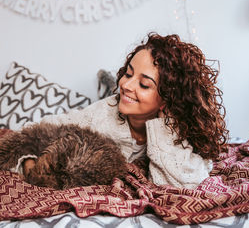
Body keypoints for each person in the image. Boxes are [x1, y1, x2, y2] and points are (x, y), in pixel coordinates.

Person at [14, 32, 228, 189]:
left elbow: (186, 185)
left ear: (168, 99)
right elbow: (33, 132)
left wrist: (161, 127)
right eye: (128, 73)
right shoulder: (103, 114)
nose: (126, 85)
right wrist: (31, 167)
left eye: (144, 85)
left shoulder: (176, 126)